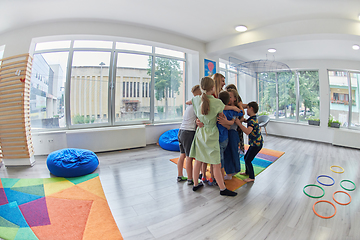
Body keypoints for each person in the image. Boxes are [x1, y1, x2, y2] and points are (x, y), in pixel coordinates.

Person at [189, 76, 238, 196]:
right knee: (216, 163)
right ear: (212, 88)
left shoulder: (195, 100)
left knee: (198, 161)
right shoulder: (217, 102)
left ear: (201, 87)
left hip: (201, 132)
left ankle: (196, 184)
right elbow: (221, 117)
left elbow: (196, 109)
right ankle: (222, 189)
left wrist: (199, 121)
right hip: (212, 133)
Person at [177, 85, 201, 185]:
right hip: (188, 132)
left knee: (182, 155)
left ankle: (179, 175)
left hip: (181, 131)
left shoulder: (189, 106)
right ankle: (190, 179)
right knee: (189, 157)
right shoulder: (196, 104)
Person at [234, 101, 263, 182]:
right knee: (246, 157)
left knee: (248, 160)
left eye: (247, 108)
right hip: (256, 143)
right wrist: (245, 121)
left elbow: (247, 131)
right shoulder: (253, 118)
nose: (246, 111)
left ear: (251, 108)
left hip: (256, 145)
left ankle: (252, 177)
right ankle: (247, 172)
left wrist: (239, 123)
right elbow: (250, 122)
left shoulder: (252, 121)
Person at [217, 91, 243, 180]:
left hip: (231, 133)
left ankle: (232, 171)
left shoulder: (230, 109)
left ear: (235, 98)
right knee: (228, 153)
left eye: (231, 96)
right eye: (229, 97)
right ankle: (230, 171)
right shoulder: (231, 109)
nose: (230, 99)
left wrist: (239, 106)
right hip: (228, 133)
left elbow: (240, 115)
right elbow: (241, 113)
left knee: (232, 152)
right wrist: (239, 107)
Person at [225, 84, 246, 156]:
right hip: (230, 128)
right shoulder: (228, 105)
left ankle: (239, 152)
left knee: (235, 147)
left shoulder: (237, 103)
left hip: (235, 128)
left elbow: (242, 113)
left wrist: (240, 106)